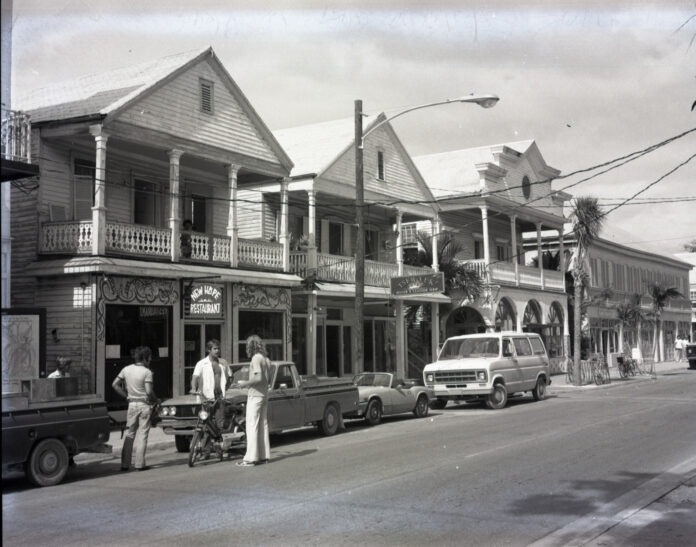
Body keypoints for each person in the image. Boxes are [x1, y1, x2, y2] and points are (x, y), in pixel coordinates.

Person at [112, 346, 157, 472]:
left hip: (132, 404)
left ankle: (125, 464)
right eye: (150, 357)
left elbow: (114, 384)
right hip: (144, 405)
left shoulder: (126, 369)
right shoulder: (147, 372)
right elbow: (148, 391)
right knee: (142, 435)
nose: (151, 359)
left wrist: (126, 396)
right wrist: (156, 399)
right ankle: (139, 464)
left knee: (129, 434)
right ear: (145, 358)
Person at [236, 335, 271, 466]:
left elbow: (258, 378)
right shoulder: (266, 359)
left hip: (255, 396)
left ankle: (251, 458)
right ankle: (264, 455)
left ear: (251, 346)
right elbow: (268, 379)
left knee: (252, 426)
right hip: (264, 395)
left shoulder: (256, 358)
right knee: (263, 425)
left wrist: (244, 383)